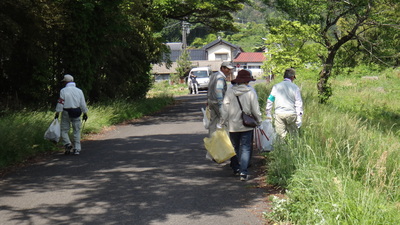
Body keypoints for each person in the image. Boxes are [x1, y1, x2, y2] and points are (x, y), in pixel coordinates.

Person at [219, 70, 262, 181]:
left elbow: (225, 109)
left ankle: (236, 168)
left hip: (232, 124)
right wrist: (259, 121)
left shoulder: (230, 92)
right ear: (247, 81)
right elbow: (255, 110)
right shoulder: (251, 92)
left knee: (233, 147)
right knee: (246, 148)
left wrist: (221, 123)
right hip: (246, 124)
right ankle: (243, 172)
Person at [54, 74, 88, 155]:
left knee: (64, 130)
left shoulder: (63, 91)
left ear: (65, 82)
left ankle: (67, 144)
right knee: (76, 130)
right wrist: (85, 113)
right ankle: (77, 149)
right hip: (77, 112)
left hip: (66, 112)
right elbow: (82, 103)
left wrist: (57, 113)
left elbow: (60, 103)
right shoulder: (79, 91)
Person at [265, 68, 303, 139]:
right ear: (292, 77)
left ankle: (281, 149)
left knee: (280, 136)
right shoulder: (295, 88)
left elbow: (270, 99)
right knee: (293, 135)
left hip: (279, 113)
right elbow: (298, 103)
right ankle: (293, 148)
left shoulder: (276, 86)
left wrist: (268, 112)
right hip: (291, 113)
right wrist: (299, 117)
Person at [207, 62, 234, 136]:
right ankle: (225, 143)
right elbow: (218, 90)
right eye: (228, 69)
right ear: (222, 68)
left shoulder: (213, 75)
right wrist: (221, 104)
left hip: (211, 101)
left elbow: (209, 88)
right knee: (224, 121)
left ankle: (212, 141)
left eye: (230, 69)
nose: (229, 71)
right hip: (218, 102)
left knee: (213, 121)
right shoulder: (220, 78)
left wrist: (208, 99)